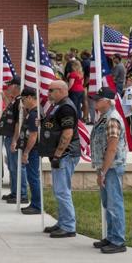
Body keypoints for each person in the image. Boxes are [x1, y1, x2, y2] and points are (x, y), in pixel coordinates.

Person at [88, 88, 127, 254]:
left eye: (98, 99)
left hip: (112, 167)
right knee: (107, 203)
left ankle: (118, 240)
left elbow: (112, 148)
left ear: (108, 101)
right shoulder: (104, 118)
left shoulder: (112, 120)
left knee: (114, 203)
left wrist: (103, 171)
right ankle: (111, 237)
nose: (95, 102)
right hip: (105, 167)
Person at [40, 80, 80, 238]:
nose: (48, 93)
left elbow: (68, 133)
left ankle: (69, 226)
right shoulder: (58, 106)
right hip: (60, 154)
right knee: (59, 191)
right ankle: (62, 222)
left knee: (62, 191)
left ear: (62, 90)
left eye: (51, 90)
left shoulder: (66, 108)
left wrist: (58, 154)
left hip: (65, 154)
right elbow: (55, 126)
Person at [10, 85, 42, 215]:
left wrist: (26, 152)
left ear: (30, 98)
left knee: (33, 178)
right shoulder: (31, 112)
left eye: (23, 100)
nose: (22, 102)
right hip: (30, 150)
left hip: (33, 151)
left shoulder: (35, 114)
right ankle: (34, 203)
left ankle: (37, 205)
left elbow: (34, 135)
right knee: (31, 177)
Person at [0, 79, 23, 198]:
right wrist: (4, 97)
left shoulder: (20, 102)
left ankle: (20, 194)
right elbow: (9, 108)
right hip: (9, 136)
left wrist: (14, 140)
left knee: (16, 167)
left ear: (16, 86)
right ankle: (14, 192)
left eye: (9, 85)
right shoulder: (15, 101)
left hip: (13, 137)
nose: (7, 87)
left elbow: (19, 123)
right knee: (12, 167)